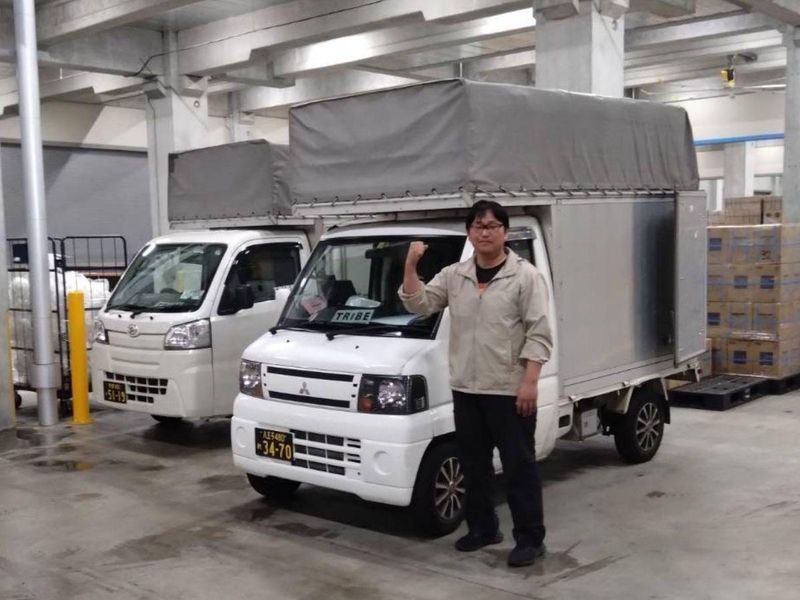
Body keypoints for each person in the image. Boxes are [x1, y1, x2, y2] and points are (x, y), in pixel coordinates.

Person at [399, 200, 553, 568]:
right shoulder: (455, 275)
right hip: (467, 389)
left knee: (519, 467)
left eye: (493, 226)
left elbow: (539, 332)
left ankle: (530, 539)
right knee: (474, 465)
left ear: (505, 232)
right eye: (479, 226)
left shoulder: (525, 276)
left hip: (509, 390)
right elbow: (419, 303)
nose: (485, 232)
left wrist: (530, 381)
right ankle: (483, 529)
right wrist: (411, 265)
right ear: (469, 233)